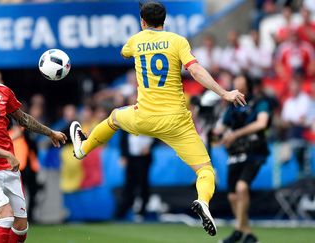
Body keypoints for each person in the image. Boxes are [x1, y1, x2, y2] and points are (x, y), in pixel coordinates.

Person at [69, 2, 246, 236]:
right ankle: (203, 201)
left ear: (142, 21)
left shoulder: (136, 40)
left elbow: (124, 52)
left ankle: (83, 148)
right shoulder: (178, 41)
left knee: (113, 118)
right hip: (177, 122)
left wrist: (141, 39)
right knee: (205, 171)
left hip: (144, 117)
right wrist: (224, 93)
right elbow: (195, 70)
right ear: (165, 19)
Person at [0, 47, 66, 242]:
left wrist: (50, 132)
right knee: (5, 216)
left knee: (21, 227)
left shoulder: (3, 91)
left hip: (8, 168)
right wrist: (5, 154)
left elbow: (23, 119)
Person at [214, 74, 272, 243]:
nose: (237, 88)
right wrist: (212, 129)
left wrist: (236, 134)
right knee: (232, 197)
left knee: (241, 188)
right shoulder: (231, 108)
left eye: (240, 84)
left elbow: (261, 123)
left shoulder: (259, 103)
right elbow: (220, 130)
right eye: (235, 84)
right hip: (235, 154)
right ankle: (248, 234)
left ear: (248, 86)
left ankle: (238, 230)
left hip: (254, 152)